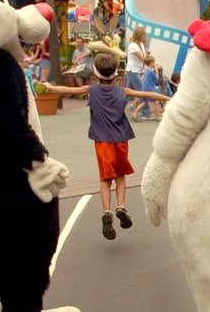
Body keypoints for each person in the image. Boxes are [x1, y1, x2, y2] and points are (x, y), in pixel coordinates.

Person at [42, 53, 170, 240]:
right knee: (120, 176)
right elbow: (147, 94)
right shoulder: (122, 91)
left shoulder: (90, 90)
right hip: (121, 139)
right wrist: (168, 98)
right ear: (115, 73)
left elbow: (64, 89)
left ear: (96, 72)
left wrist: (49, 86)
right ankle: (121, 206)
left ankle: (107, 211)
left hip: (102, 140)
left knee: (105, 178)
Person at [132, 56, 164, 121]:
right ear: (151, 63)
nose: (154, 64)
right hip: (150, 89)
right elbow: (157, 79)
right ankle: (158, 116)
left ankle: (135, 114)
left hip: (145, 89)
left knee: (144, 102)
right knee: (155, 102)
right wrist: (156, 70)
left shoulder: (146, 70)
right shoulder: (151, 72)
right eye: (153, 62)